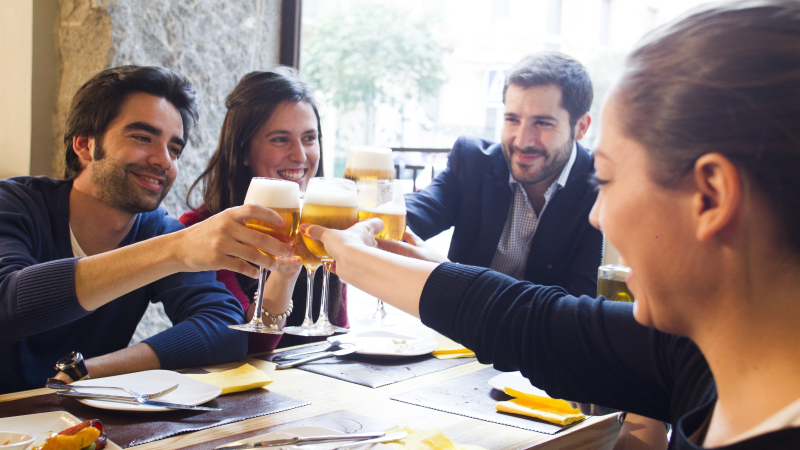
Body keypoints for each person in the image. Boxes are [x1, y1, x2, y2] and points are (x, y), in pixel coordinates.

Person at [301, 1, 800, 447]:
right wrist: (370, 255)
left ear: (711, 197)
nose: (598, 214)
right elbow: (531, 320)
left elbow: (542, 319)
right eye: (512, 119)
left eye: (608, 178)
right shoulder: (696, 356)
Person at [0, 66, 294, 394]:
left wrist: (85, 371)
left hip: (71, 422)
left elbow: (226, 328)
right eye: (142, 138)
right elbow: (8, 301)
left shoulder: (156, 230)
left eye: (174, 149)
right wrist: (174, 250)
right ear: (84, 145)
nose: (164, 161)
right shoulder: (13, 204)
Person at [404, 51, 603, 297]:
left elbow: (577, 305)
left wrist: (448, 274)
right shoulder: (473, 162)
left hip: (540, 335)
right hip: (459, 334)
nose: (522, 140)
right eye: (512, 119)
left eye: (542, 123)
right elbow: (414, 213)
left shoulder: (601, 188)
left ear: (580, 127)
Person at [181, 68, 347, 352]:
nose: (300, 155)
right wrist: (285, 273)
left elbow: (335, 336)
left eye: (309, 138)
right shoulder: (202, 228)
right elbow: (243, 346)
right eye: (280, 139)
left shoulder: (322, 225)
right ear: (242, 151)